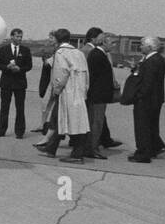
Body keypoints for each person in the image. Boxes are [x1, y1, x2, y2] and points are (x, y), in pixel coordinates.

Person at [35, 29, 90, 162]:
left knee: (72, 122)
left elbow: (61, 74)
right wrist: (84, 90)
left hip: (67, 92)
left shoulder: (61, 53)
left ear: (57, 40)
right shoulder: (79, 53)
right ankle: (51, 148)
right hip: (79, 92)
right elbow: (86, 74)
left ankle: (77, 155)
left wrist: (56, 90)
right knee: (62, 119)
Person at [128, 35, 165, 163]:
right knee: (151, 126)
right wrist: (135, 68)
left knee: (142, 127)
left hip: (147, 100)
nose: (140, 47)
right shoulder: (156, 59)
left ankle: (143, 153)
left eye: (142, 45)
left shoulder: (152, 61)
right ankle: (153, 148)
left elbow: (147, 82)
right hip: (155, 99)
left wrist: (139, 96)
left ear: (149, 47)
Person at [0, 28, 32, 137]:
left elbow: (29, 66)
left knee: (20, 108)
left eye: (21, 37)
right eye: (17, 36)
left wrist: (19, 69)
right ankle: (1, 130)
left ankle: (20, 132)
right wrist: (7, 67)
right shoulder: (3, 49)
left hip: (20, 83)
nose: (19, 39)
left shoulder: (25, 50)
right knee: (4, 108)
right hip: (6, 83)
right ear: (12, 37)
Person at [83, 27, 113, 159]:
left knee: (96, 122)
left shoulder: (99, 54)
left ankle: (91, 147)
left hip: (99, 96)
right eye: (111, 43)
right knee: (96, 123)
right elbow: (92, 77)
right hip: (97, 97)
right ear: (104, 43)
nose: (113, 45)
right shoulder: (96, 55)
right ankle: (92, 149)